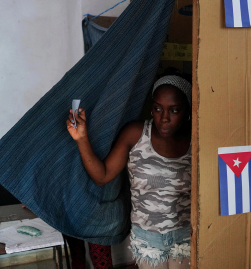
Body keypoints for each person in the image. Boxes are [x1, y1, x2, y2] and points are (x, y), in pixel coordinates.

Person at [67, 74, 192, 269]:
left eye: (174, 110)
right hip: (147, 240)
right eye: (158, 108)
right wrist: (81, 138)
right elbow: (102, 176)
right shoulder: (136, 134)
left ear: (187, 112)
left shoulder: (196, 140)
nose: (164, 118)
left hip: (186, 236)